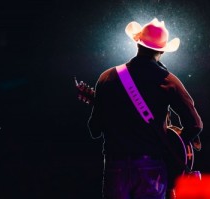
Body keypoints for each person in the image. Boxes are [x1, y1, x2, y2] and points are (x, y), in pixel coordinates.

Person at [87, 18, 203, 199]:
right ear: (163, 50)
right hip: (152, 167)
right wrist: (171, 145)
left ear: (137, 43)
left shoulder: (107, 77)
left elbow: (94, 129)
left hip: (115, 166)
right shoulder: (168, 81)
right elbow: (195, 125)